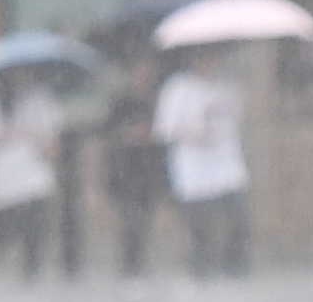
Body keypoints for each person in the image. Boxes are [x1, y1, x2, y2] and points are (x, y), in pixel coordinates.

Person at [154, 47, 250, 277]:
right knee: (199, 226)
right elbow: (163, 129)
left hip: (226, 165)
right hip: (194, 170)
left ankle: (233, 266)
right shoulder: (178, 88)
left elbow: (240, 115)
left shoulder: (225, 86)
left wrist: (244, 98)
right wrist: (194, 133)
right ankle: (201, 268)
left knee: (239, 219)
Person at [0, 75, 62, 277]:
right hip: (5, 182)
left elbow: (53, 145)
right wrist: (11, 131)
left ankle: (32, 273)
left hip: (35, 179)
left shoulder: (40, 101)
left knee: (35, 231)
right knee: (3, 229)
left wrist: (35, 133)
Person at [101, 50, 169, 277]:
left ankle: (138, 265)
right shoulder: (121, 101)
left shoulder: (157, 101)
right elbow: (110, 133)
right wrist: (128, 135)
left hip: (148, 170)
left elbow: (164, 132)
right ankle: (131, 266)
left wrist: (150, 135)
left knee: (144, 219)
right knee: (131, 220)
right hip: (125, 171)